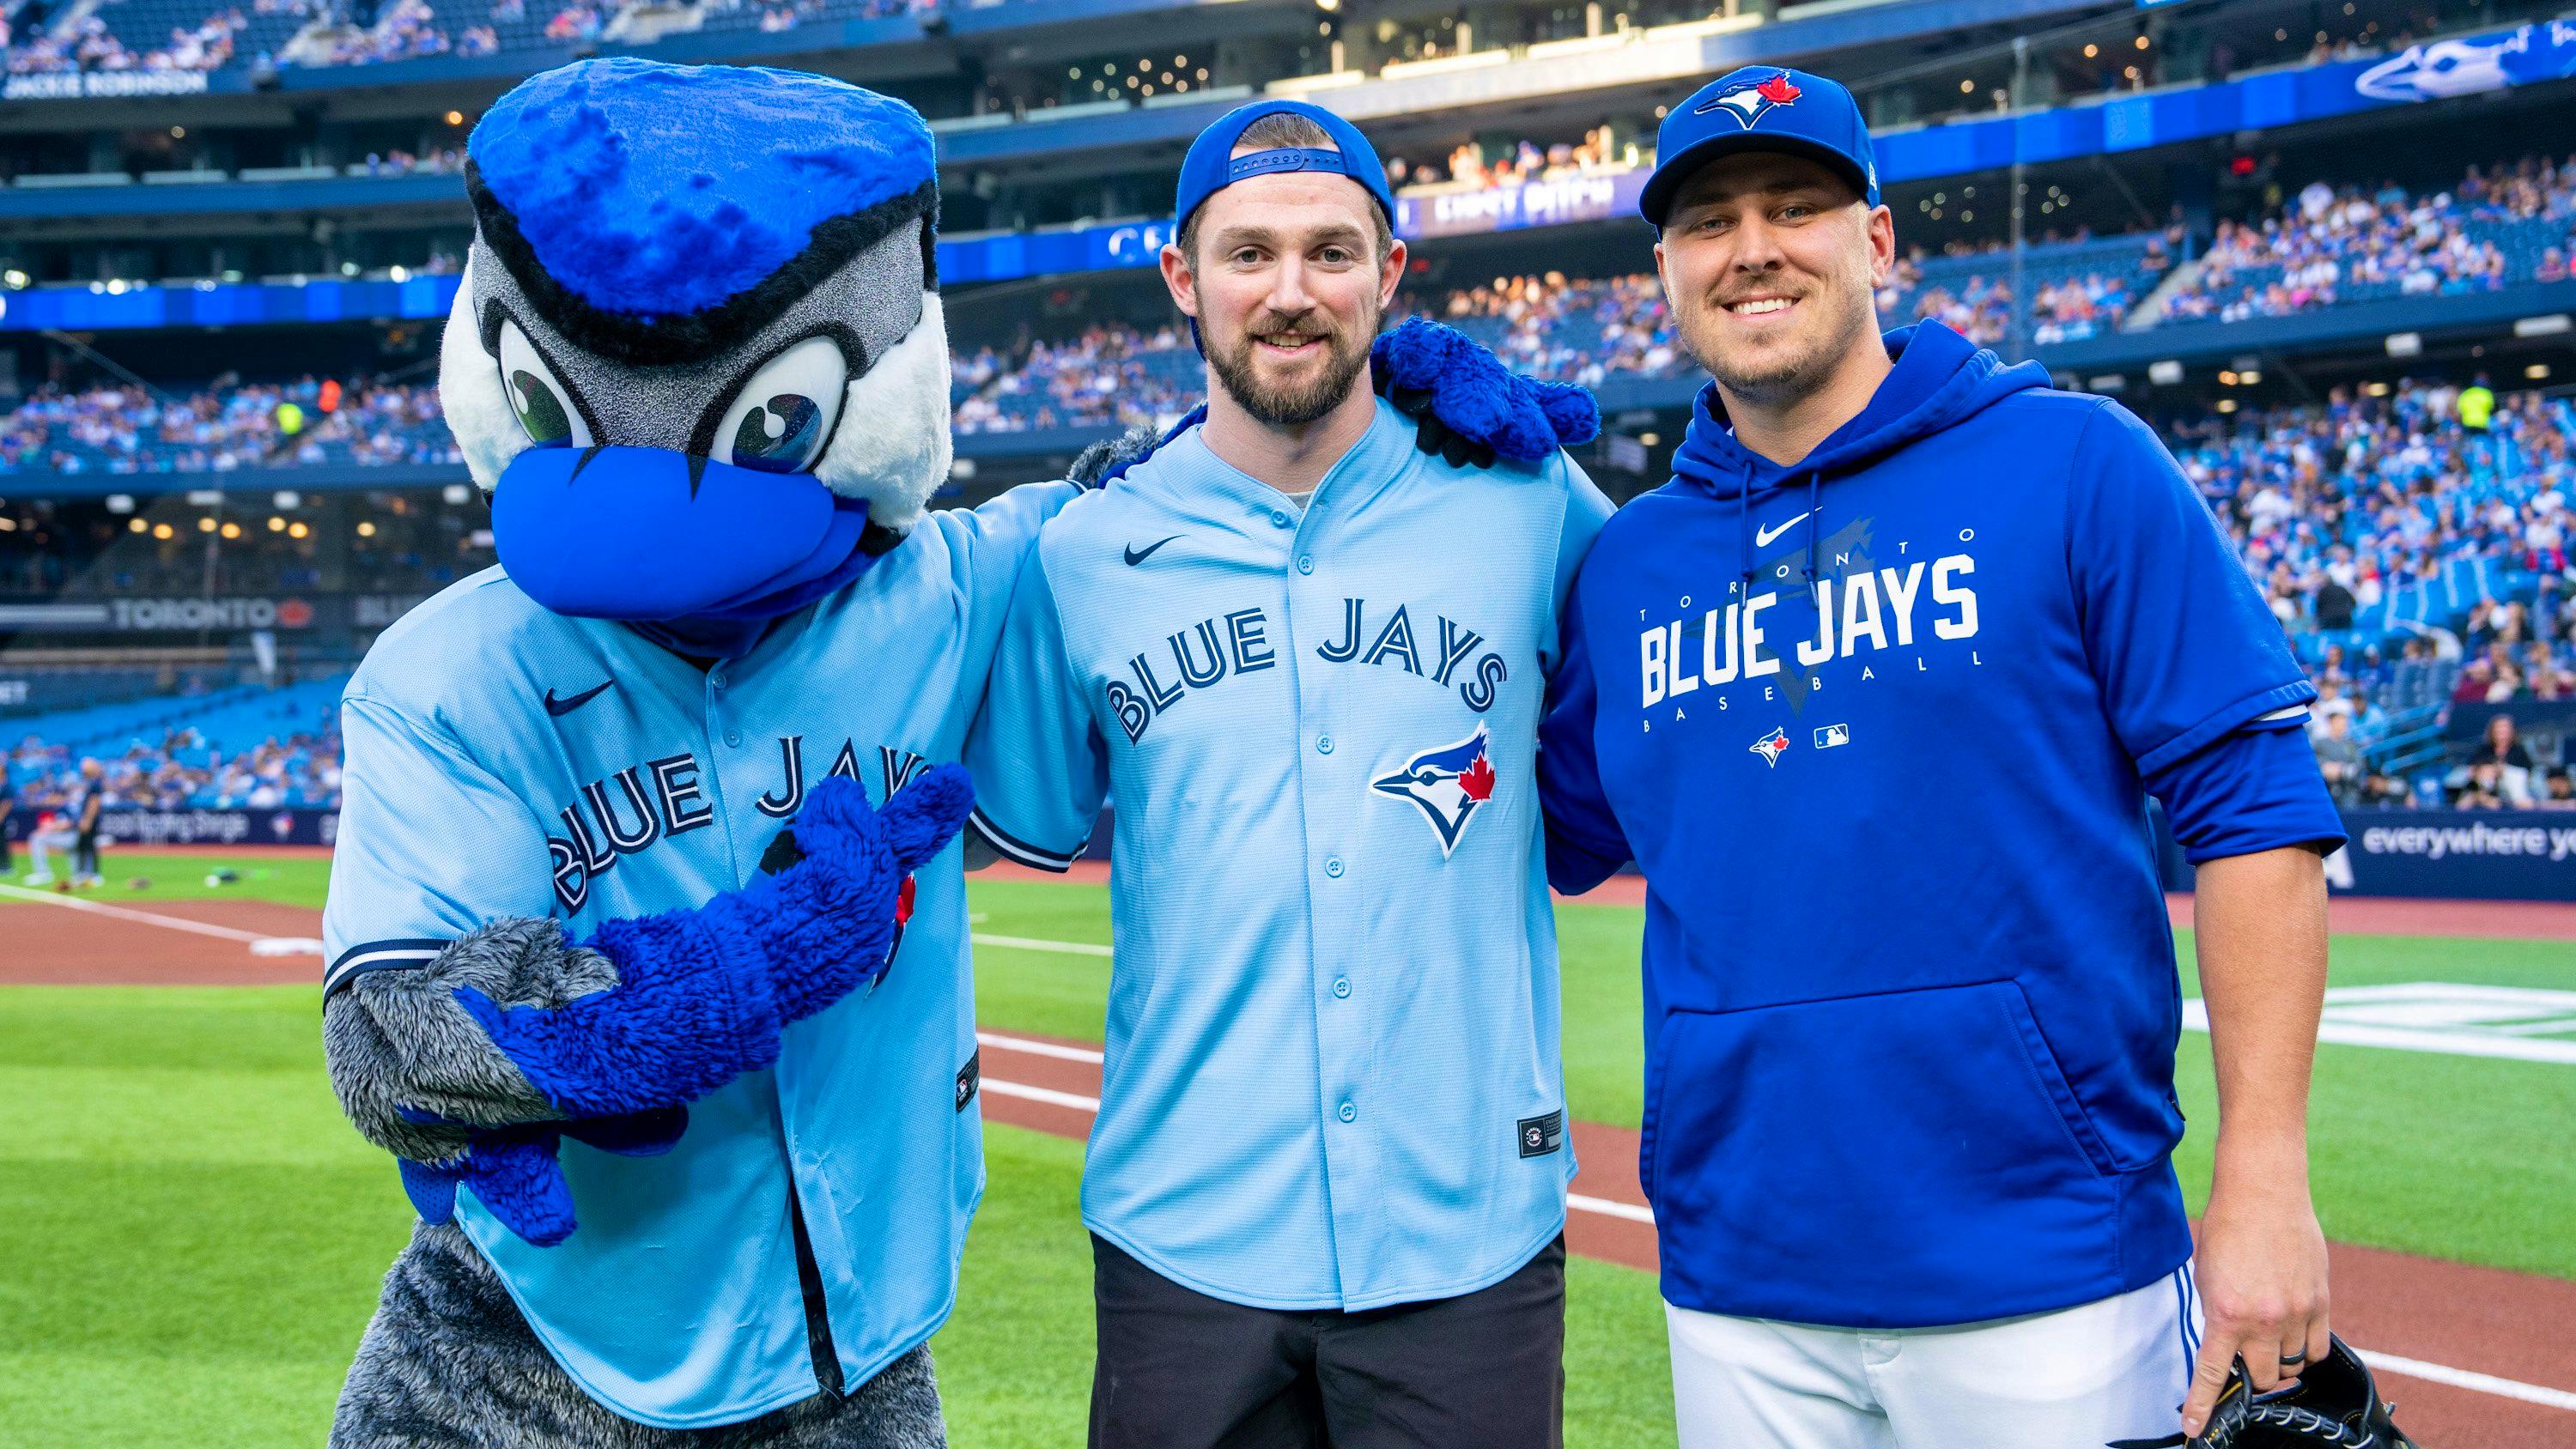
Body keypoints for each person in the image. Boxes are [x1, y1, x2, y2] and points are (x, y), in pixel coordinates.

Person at [1536, 65, 2348, 1449]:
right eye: (1711, 221)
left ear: (1880, 243)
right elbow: (1534, 833)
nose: (1754, 249)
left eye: (1797, 206)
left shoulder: (2077, 464)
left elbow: (2257, 813)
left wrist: (2264, 1177)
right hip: (1738, 1278)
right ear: (1663, 270)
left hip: (2048, 1271)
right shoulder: (1629, 565)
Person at [964, 99, 1610, 1449]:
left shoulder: (1534, 506)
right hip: (1183, 1232)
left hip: (1466, 1238)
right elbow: (1020, 823)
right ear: (1182, 279)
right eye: (1249, 254)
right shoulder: (1084, 551)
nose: (1291, 293)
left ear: (1392, 273)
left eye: (1331, 251)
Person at [2469, 712, 2536, 804]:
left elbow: (2528, 772)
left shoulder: (2518, 750)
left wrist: (2503, 770)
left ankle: (2520, 802)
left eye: (2505, 728)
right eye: (2499, 728)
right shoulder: (2484, 749)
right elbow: (2472, 769)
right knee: (2486, 770)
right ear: (2492, 731)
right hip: (2486, 786)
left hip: (2513, 787)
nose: (2502, 731)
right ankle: (2484, 798)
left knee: (2512, 774)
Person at [2313, 711, 2365, 806]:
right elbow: (2311, 760)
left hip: (2346, 790)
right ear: (2331, 722)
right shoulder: (2320, 743)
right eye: (2339, 722)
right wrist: (2324, 766)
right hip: (2324, 790)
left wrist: (2342, 769)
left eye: (2345, 723)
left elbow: (2359, 765)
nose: (2342, 726)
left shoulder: (2351, 744)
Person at [70, 757, 105, 888]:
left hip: (89, 820)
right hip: (85, 819)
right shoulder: (91, 782)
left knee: (89, 846)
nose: (83, 769)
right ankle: (83, 873)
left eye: (85, 767)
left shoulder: (96, 783)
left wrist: (87, 820)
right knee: (82, 846)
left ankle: (94, 874)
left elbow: (94, 802)